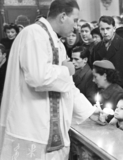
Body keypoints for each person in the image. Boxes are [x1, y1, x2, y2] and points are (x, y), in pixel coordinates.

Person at [0, 0, 100, 159]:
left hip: (48, 128)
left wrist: (90, 112)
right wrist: (66, 70)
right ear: (62, 16)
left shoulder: (56, 43)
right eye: (74, 20)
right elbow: (38, 76)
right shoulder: (33, 34)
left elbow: (68, 87)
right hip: (33, 126)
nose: (75, 26)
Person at [92, 16, 123, 88]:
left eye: (108, 28)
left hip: (121, 88)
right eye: (102, 29)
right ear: (99, 30)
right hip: (103, 89)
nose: (105, 32)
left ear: (114, 28)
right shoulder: (97, 48)